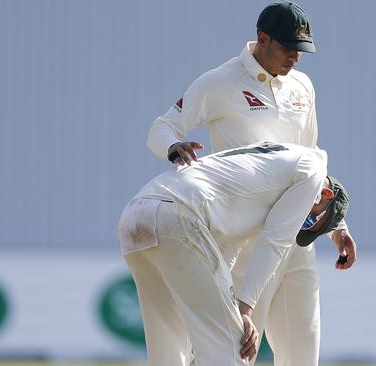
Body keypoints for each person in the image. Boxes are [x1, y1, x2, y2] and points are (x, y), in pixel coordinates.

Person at [146, 2, 357, 365]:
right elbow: (161, 127)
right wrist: (173, 147)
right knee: (236, 350)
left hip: (295, 239)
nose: (296, 58)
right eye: (289, 48)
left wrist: (336, 225)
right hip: (244, 239)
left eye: (301, 50)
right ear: (262, 39)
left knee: (303, 354)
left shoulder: (302, 86)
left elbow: (312, 159)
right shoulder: (221, 82)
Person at [117, 142, 350, 366]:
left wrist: (230, 305)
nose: (299, 221)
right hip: (177, 215)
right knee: (230, 347)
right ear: (325, 194)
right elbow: (275, 242)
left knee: (169, 347)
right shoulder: (312, 172)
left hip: (136, 213)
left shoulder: (271, 166)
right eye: (307, 219)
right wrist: (244, 311)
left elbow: (227, 250)